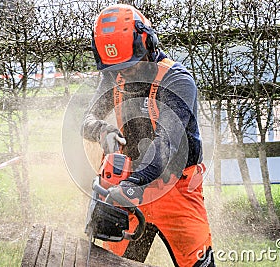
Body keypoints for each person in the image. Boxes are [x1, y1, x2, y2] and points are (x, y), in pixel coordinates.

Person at [81, 4, 215, 267]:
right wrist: (102, 130)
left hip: (176, 189)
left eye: (130, 64)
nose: (125, 72)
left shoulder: (177, 80)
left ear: (148, 43)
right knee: (110, 263)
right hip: (128, 186)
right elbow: (86, 120)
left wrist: (133, 185)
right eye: (118, 67)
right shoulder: (114, 74)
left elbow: (164, 146)